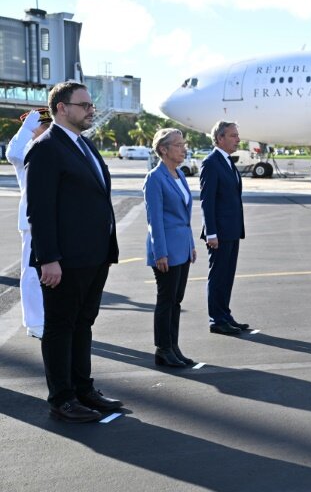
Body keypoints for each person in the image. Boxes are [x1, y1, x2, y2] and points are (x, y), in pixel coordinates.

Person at [25, 81, 122, 422]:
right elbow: (39, 208)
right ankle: (63, 399)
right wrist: (48, 258)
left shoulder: (84, 145)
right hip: (64, 259)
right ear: (62, 108)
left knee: (83, 323)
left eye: (90, 105)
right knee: (60, 326)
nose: (90, 110)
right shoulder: (46, 148)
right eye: (84, 105)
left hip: (94, 255)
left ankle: (84, 389)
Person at [144, 129, 197, 367]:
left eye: (183, 144)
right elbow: (154, 219)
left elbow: (184, 216)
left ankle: (173, 346)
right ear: (163, 150)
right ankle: (163, 349)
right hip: (166, 250)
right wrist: (160, 253)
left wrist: (191, 245)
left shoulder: (179, 175)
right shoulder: (155, 178)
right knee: (166, 300)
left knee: (176, 300)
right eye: (178, 144)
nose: (184, 148)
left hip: (182, 248)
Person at [200, 121, 249, 335]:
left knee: (228, 275)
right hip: (218, 232)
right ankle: (216, 320)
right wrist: (211, 232)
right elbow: (207, 201)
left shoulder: (227, 162)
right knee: (218, 276)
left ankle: (225, 315)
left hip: (231, 230)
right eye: (233, 135)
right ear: (220, 138)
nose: (238, 139)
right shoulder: (211, 163)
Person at [6, 108, 52, 339]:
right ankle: (35, 322)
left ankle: (49, 317)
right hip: (32, 222)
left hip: (56, 220)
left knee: (54, 272)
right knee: (32, 273)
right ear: (33, 129)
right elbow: (12, 152)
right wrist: (24, 130)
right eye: (43, 126)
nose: (47, 131)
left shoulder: (54, 148)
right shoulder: (25, 150)